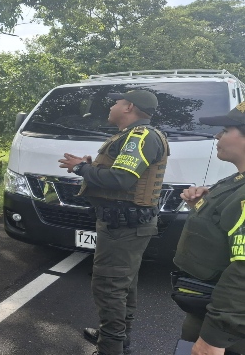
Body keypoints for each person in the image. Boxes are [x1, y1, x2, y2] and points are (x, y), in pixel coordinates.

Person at [58, 90, 170, 355]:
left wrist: (81, 168)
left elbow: (121, 179)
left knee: (109, 286)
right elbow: (120, 174)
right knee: (123, 284)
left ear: (129, 107)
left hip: (124, 227)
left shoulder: (140, 137)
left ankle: (110, 347)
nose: (111, 107)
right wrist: (90, 167)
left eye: (116, 103)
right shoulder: (134, 135)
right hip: (124, 224)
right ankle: (118, 338)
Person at [172, 102, 245, 355]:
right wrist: (202, 206)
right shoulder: (236, 181)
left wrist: (213, 339)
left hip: (229, 330)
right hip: (212, 310)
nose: (217, 136)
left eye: (225, 130)